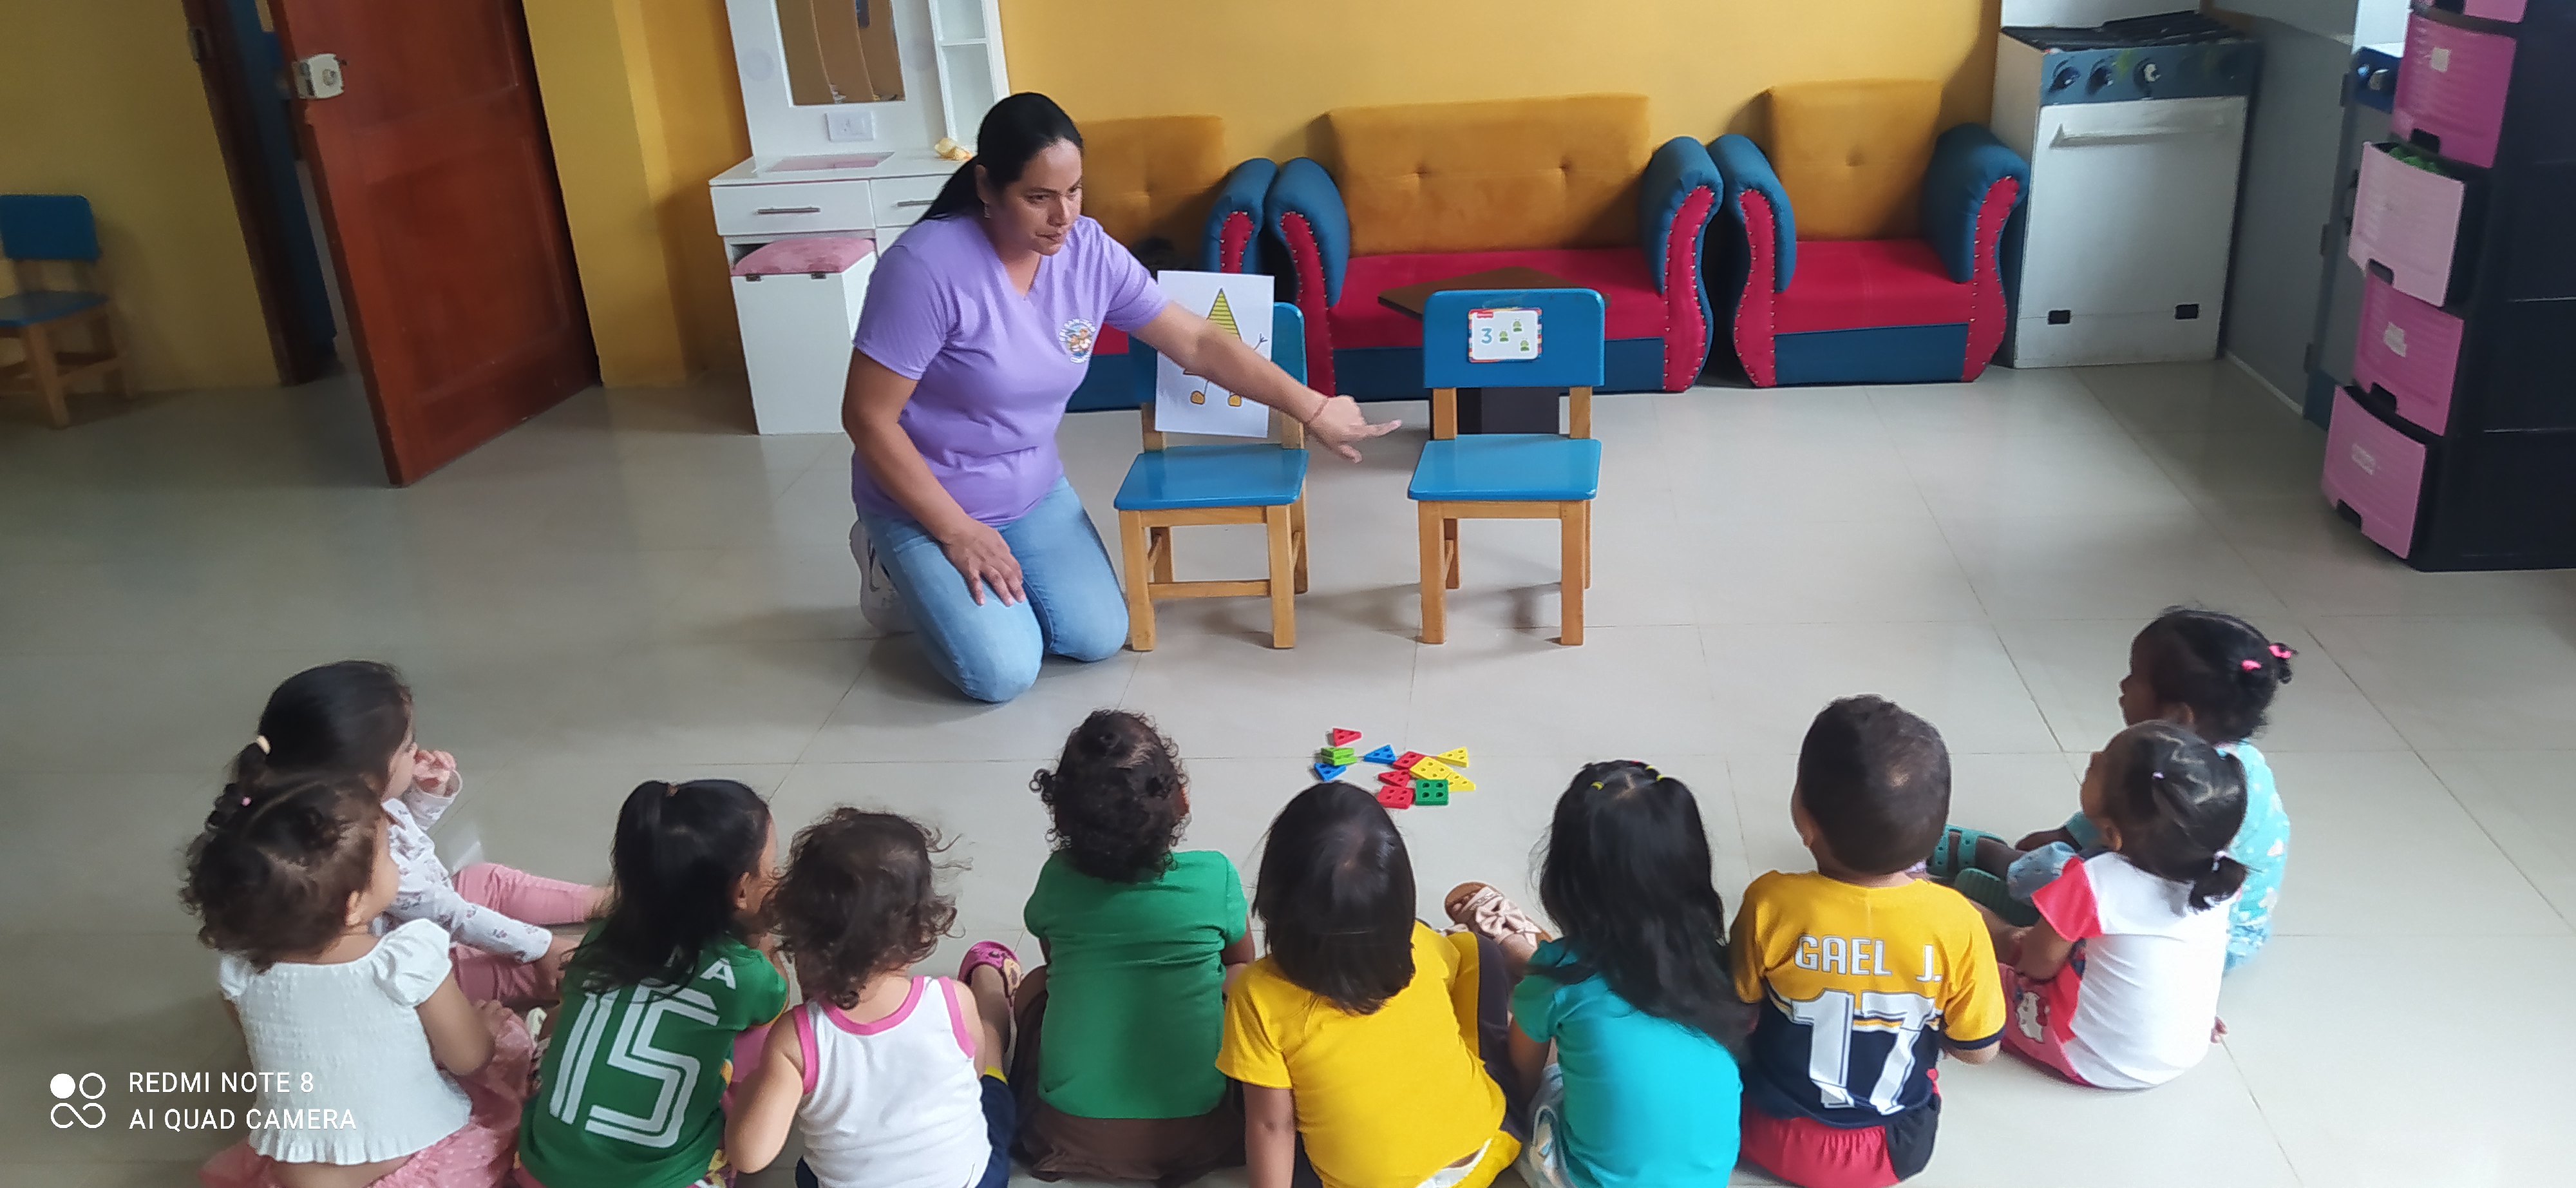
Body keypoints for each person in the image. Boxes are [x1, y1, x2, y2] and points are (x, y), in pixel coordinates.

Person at [842, 91, 1395, 702]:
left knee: (1096, 636)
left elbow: (1199, 342)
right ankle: (891, 559)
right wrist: (954, 531)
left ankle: (975, 590)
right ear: (986, 186)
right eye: (1038, 198)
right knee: (1001, 674)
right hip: (928, 496)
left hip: (1030, 489)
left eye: (1074, 191)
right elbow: (868, 418)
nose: (1063, 216)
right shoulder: (924, 269)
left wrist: (1312, 406)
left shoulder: (1088, 251)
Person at [185, 767, 531, 1188]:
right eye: (388, 856)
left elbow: (274, 1049)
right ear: (352, 906)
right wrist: (485, 1029)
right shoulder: (404, 959)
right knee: (509, 1041)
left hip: (293, 1169)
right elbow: (469, 1058)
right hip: (411, 1158)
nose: (395, 864)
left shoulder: (239, 972)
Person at [1732, 697, 2003, 1188]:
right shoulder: (1959, 922)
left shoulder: (1769, 902)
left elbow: (1741, 1006)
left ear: (1804, 820)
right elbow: (1979, 1051)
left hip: (1765, 1132)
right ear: (1934, 839)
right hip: (1894, 1150)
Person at [1929, 608, 2294, 970]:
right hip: (2221, 926)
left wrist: (2064, 851)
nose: (2123, 685)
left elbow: (2125, 836)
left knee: (2069, 875)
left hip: (2175, 935)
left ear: (2179, 716)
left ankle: (2017, 897)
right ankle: (2015, 875)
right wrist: (2070, 835)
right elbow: (2127, 812)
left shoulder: (2181, 779)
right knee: (2075, 860)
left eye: (2135, 677)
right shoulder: (2224, 765)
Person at [1217, 782, 1522, 1188]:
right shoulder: (1420, 941)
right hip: (1485, 1147)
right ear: (1401, 894)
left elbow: (1272, 1125)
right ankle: (1520, 954)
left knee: (1257, 1087)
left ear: (1275, 895)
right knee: (1478, 951)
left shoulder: (1257, 994)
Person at [247, 660, 605, 1007]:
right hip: (403, 957)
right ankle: (579, 975)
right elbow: (450, 914)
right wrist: (544, 946)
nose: (416, 752)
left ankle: (599, 901)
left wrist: (426, 794)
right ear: (365, 776)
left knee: (484, 879)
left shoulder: (329, 808)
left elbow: (408, 841)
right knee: (506, 967)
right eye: (407, 747)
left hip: (422, 914)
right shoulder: (351, 850)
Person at [1472, 762, 1751, 1188]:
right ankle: (1524, 957)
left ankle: (1520, 958)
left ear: (1567, 880)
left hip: (1586, 1179)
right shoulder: (1720, 962)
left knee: (1520, 1044)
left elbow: (1521, 1083)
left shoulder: (1560, 974)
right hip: (1708, 1177)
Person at [727, 810, 1025, 1188]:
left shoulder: (796, 1038)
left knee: (809, 1170)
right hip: (971, 1182)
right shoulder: (952, 1000)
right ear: (921, 931)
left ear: (800, 937)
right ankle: (990, 981)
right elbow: (974, 1073)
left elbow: (749, 1155)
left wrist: (758, 1083)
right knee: (991, 1091)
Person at [1014, 711, 1253, 1182]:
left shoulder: (1057, 880)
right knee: (1241, 982)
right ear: (1181, 800)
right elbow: (1243, 964)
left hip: (1064, 1131)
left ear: (1061, 815)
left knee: (1038, 983)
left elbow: (1054, 962)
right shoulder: (1214, 876)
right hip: (1200, 1131)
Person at [515, 780, 786, 1188]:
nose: (778, 877)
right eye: (772, 868)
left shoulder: (601, 937)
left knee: (564, 1014)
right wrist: (760, 939)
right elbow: (776, 998)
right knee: (771, 1038)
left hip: (542, 1171)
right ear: (742, 892)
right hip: (663, 1180)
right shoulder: (745, 975)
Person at [1984, 722, 2247, 1089]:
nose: (2093, 758)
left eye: (2101, 764)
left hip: (2090, 1055)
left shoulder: (2096, 879)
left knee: (1983, 954)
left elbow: (2038, 965)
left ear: (2111, 834)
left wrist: (2021, 952)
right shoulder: (2217, 875)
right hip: (2181, 1050)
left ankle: (1937, 898)